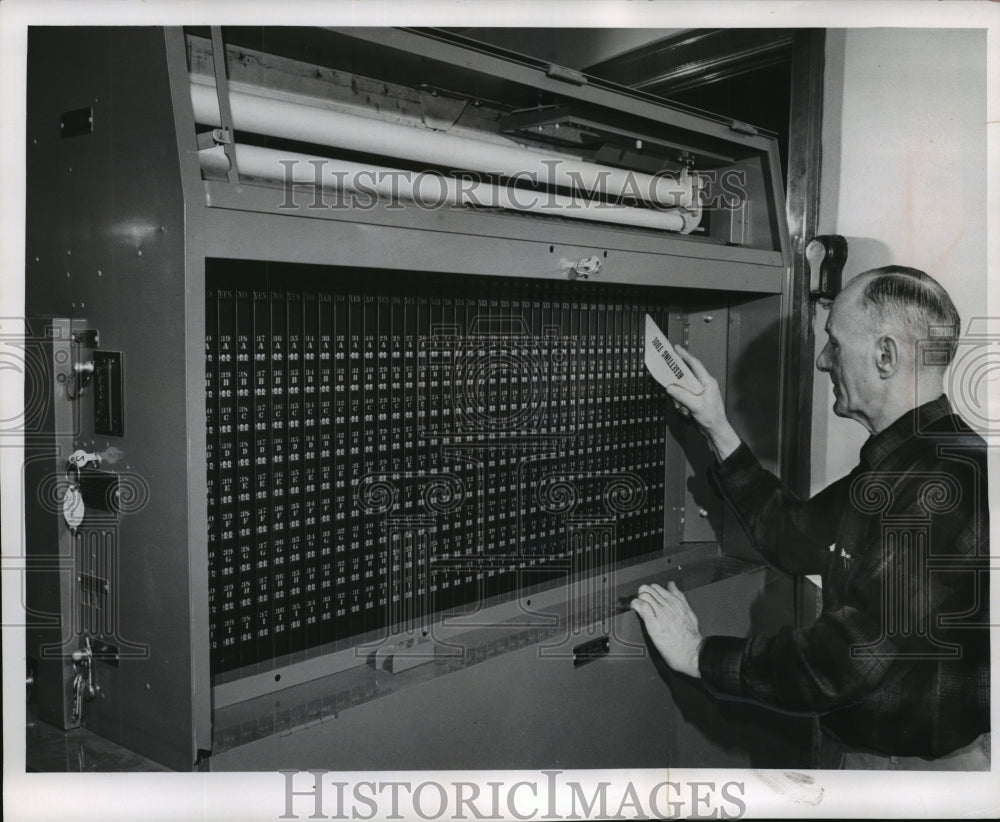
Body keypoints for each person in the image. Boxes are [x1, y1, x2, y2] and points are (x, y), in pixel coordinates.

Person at [631, 266, 990, 770]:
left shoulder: (935, 482)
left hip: (906, 776)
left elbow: (843, 662)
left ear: (885, 356)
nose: (823, 361)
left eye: (835, 344)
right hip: (881, 760)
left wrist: (696, 653)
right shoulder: (910, 460)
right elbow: (793, 535)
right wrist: (715, 425)